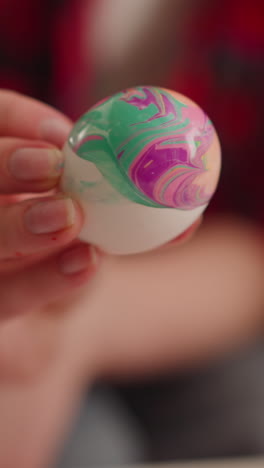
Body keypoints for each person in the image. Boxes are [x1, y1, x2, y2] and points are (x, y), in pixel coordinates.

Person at [0, 1, 263, 467]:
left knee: (246, 403)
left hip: (178, 301)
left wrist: (78, 327)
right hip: (22, 290)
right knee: (90, 447)